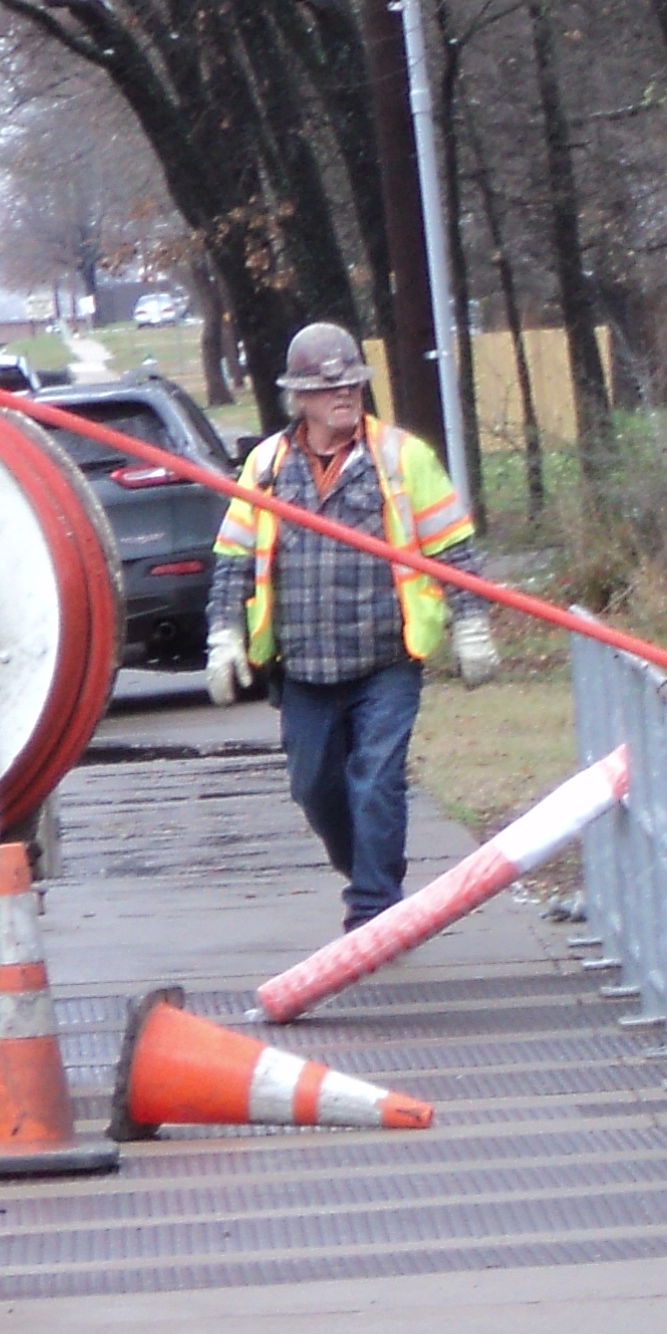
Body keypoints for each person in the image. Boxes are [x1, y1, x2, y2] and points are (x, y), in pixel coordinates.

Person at [204, 323, 494, 932]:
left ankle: (374, 912)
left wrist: (472, 626)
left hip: (385, 661)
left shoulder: (401, 458)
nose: (346, 396)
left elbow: (454, 551)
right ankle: (363, 867)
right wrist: (224, 635)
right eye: (330, 389)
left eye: (353, 385)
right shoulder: (265, 467)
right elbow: (233, 558)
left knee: (377, 782)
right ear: (300, 398)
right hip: (303, 667)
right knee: (315, 788)